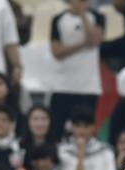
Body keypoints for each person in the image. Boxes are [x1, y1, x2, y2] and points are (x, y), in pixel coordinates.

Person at [49, 0, 104, 140]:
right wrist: (82, 44)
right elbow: (57, 52)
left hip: (88, 86)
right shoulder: (58, 19)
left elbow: (94, 42)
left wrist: (83, 16)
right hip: (63, 86)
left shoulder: (97, 17)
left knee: (86, 132)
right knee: (56, 131)